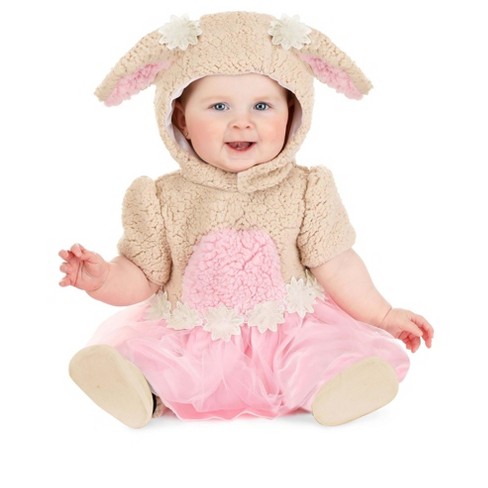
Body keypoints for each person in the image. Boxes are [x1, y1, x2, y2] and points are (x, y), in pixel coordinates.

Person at [59, 12, 433, 428]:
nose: (242, 121)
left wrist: (382, 314)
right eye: (219, 106)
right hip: (193, 335)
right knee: (159, 360)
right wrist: (104, 279)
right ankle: (138, 391)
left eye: (262, 105)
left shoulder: (306, 189)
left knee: (316, 355)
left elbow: (338, 263)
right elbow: (143, 273)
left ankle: (339, 386)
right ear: (181, 119)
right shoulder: (161, 198)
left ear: (293, 113)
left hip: (289, 330)